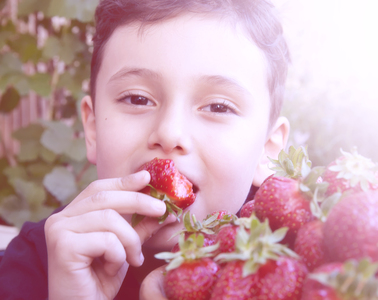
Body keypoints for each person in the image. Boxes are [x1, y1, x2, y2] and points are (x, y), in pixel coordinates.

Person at [0, 0, 291, 299]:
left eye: (218, 106)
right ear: (93, 129)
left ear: (267, 150)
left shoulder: (293, 270)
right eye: (137, 99)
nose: (169, 133)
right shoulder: (35, 265)